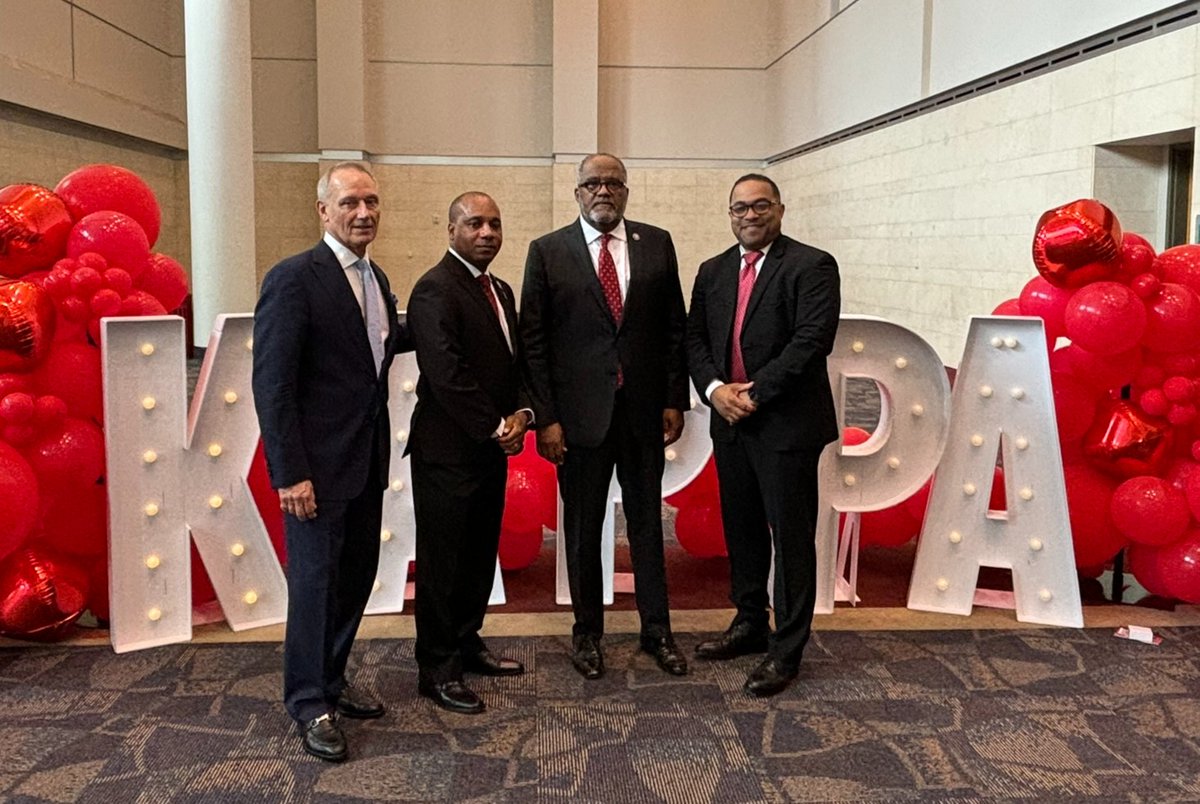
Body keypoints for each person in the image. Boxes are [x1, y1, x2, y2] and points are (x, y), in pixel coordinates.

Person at [252, 162, 404, 762]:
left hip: (365, 461)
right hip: (313, 471)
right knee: (314, 586)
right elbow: (274, 384)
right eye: (349, 203)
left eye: (370, 202)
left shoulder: (376, 276)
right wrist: (289, 472)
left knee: (355, 576)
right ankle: (309, 701)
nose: (362, 213)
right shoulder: (294, 278)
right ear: (323, 211)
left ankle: (333, 682)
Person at [520, 153, 689, 680]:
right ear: (577, 193)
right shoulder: (547, 251)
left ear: (626, 191)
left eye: (613, 183)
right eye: (592, 183)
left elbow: (673, 330)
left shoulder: (656, 243)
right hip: (577, 423)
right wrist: (546, 418)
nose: (603, 191)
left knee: (646, 526)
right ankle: (587, 632)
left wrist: (672, 399)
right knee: (583, 527)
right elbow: (534, 341)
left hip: (641, 415)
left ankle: (656, 630)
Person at [685, 173, 841, 697]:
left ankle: (787, 648)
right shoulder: (712, 271)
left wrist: (752, 393)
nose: (749, 216)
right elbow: (695, 340)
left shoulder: (811, 265)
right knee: (743, 529)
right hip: (729, 421)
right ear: (729, 215)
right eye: (738, 209)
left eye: (759, 206)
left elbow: (811, 341)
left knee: (791, 539)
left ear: (779, 208)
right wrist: (714, 390)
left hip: (785, 424)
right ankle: (750, 623)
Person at [406, 191, 530, 714]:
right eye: (474, 223)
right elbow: (446, 373)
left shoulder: (498, 288)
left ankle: (466, 640)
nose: (486, 233)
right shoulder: (434, 288)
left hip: (489, 448)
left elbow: (515, 362)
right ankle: (437, 666)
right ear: (451, 230)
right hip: (447, 451)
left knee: (479, 555)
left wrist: (523, 414)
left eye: (494, 224)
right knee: (444, 562)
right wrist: (496, 424)